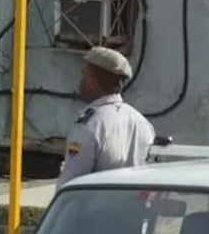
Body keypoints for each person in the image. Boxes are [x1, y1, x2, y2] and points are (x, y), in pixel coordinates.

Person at [56, 46, 156, 191]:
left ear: (93, 83)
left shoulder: (89, 125)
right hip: (132, 210)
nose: (80, 80)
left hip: (97, 210)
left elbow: (71, 183)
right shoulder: (142, 122)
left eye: (84, 75)